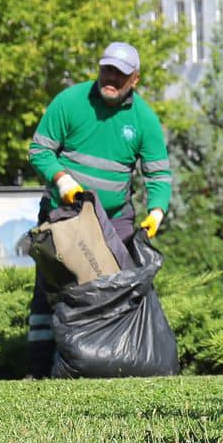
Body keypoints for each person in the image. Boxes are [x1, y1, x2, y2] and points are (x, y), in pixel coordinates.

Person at [24, 42, 173, 375]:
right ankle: (38, 368)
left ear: (134, 79)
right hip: (64, 216)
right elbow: (39, 151)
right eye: (107, 70)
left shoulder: (144, 119)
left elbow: (159, 175)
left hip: (115, 222)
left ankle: (106, 364)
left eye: (120, 75)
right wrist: (62, 181)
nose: (111, 78)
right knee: (51, 290)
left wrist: (156, 213)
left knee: (113, 294)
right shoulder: (71, 102)